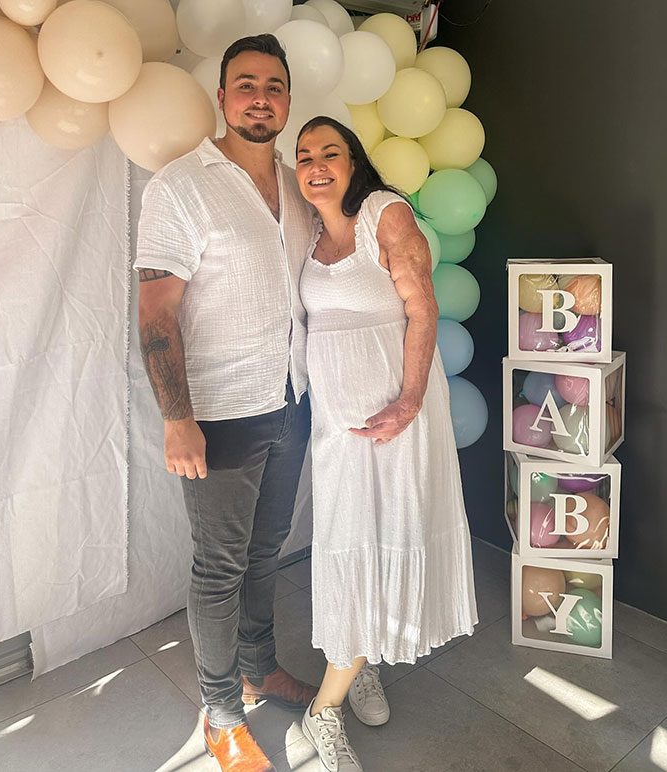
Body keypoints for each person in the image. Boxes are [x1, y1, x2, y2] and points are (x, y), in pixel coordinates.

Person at [135, 35, 318, 772]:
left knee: (265, 553)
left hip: (291, 401)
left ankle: (259, 669)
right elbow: (156, 314)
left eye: (273, 85)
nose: (260, 97)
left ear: (288, 100)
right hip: (217, 415)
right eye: (245, 84)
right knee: (219, 568)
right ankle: (220, 714)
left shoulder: (299, 187)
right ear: (221, 97)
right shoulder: (181, 185)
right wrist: (177, 418)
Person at [294, 117, 479, 772]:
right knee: (348, 536)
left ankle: (323, 708)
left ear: (354, 161)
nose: (316, 165)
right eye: (304, 156)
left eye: (331, 153)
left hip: (398, 414)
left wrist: (408, 402)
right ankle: (360, 654)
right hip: (338, 425)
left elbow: (423, 309)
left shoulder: (384, 213)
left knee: (386, 529)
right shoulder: (307, 232)